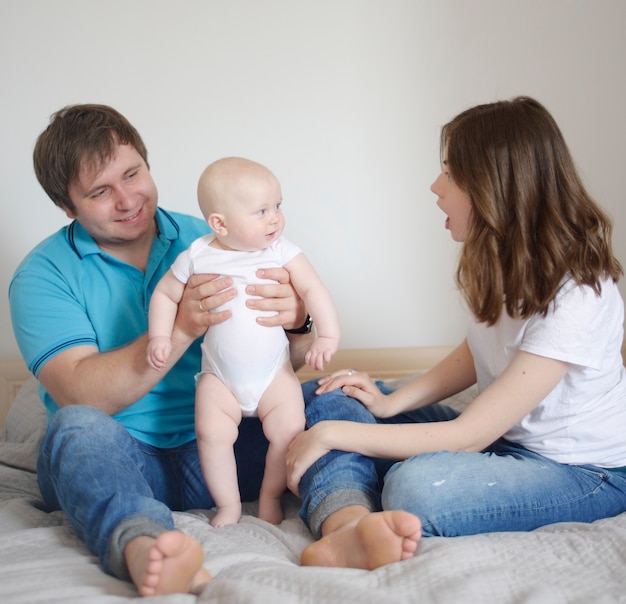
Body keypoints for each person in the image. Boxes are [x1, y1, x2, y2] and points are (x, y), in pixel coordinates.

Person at [286, 96, 626, 571]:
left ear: (494, 185)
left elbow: (469, 434)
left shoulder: (580, 294)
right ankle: (346, 524)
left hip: (581, 472)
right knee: (331, 393)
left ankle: (346, 493)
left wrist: (331, 436)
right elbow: (478, 352)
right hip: (503, 439)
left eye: (449, 172)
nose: (435, 186)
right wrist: (391, 401)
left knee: (416, 485)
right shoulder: (508, 261)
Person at [9, 104, 315, 597]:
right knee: (74, 428)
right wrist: (179, 329)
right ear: (68, 208)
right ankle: (145, 548)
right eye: (100, 191)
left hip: (224, 444)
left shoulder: (213, 237)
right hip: (124, 458)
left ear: (148, 165)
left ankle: (345, 522)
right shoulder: (42, 276)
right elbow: (82, 395)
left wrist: (298, 323)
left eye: (132, 174)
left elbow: (279, 366)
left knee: (335, 400)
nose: (127, 199)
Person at [147, 156, 340, 527]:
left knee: (289, 428)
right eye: (262, 211)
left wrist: (327, 334)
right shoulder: (198, 254)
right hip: (219, 378)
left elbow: (313, 288)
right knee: (211, 432)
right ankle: (229, 505)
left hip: (274, 375)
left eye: (278, 207)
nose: (275, 219)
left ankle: (269, 495)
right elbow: (165, 295)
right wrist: (160, 335)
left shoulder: (281, 251)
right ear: (220, 223)